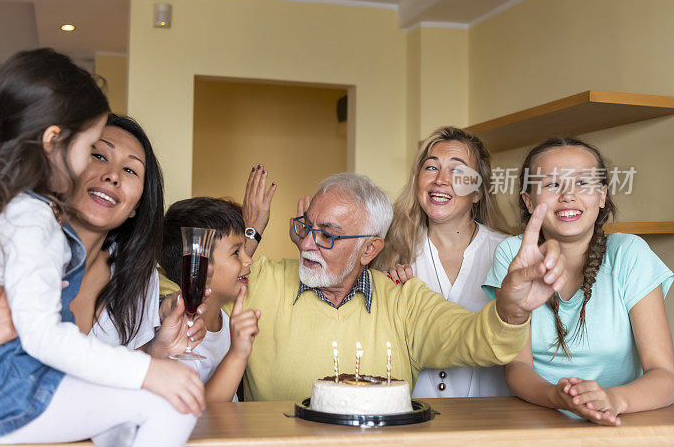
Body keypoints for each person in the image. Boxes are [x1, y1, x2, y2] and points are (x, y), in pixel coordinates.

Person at [0, 49, 202, 446]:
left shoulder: (0, 211)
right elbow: (43, 338)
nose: (110, 176)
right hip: (6, 401)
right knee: (171, 406)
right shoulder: (32, 220)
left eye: (129, 170)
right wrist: (150, 373)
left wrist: (155, 357)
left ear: (139, 204)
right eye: (94, 150)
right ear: (54, 142)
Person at [161, 168, 569, 402]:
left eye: (328, 235)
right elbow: (179, 282)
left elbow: (474, 339)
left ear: (371, 248)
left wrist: (512, 309)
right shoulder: (260, 281)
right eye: (306, 227)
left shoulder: (403, 300)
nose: (305, 243)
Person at [483, 137, 674, 426]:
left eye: (582, 183)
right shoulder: (512, 254)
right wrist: (556, 397)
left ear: (602, 195)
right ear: (528, 199)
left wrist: (611, 400)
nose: (568, 195)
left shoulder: (630, 253)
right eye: (552, 184)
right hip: (538, 421)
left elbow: (664, 374)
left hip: (622, 423)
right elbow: (517, 367)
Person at [374, 126, 512, 397]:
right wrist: (386, 290)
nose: (440, 180)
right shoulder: (389, 253)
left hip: (491, 423)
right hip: (414, 420)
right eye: (431, 168)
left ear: (477, 192)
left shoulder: (507, 253)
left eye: (458, 171)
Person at [159, 197, 261, 402]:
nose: (249, 259)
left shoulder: (226, 321)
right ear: (199, 266)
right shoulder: (177, 333)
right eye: (236, 252)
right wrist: (237, 354)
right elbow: (201, 416)